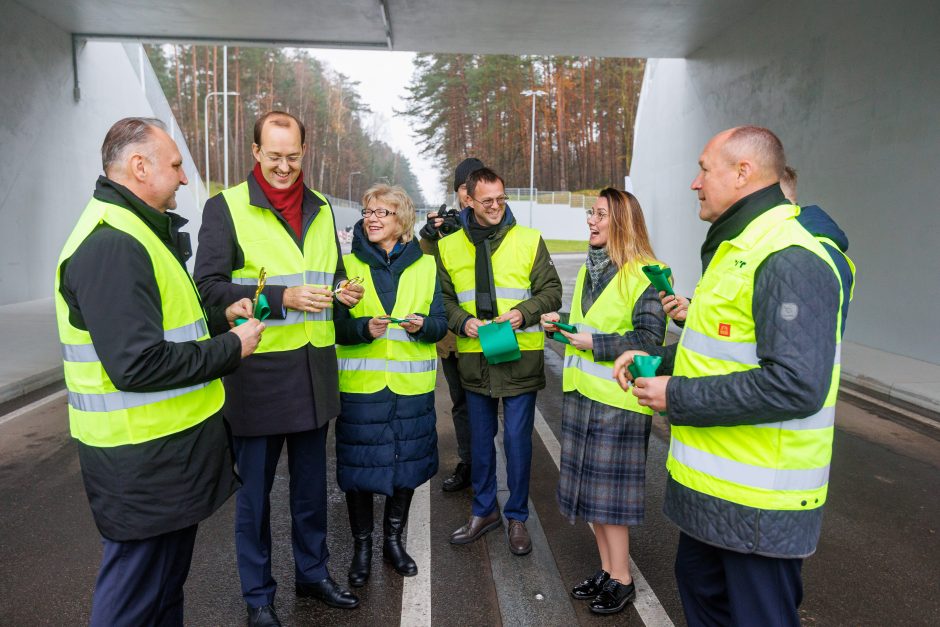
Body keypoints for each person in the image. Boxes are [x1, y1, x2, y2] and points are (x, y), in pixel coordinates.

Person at [614, 126, 845, 626]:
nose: (695, 183)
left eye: (704, 169)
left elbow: (797, 384)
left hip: (760, 506)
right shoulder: (737, 246)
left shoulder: (789, 255)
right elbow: (718, 348)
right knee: (703, 599)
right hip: (717, 499)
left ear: (742, 173)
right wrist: (658, 360)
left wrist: (676, 394)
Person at [54, 117, 264, 626]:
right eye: (176, 166)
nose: (185, 178)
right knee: (132, 601)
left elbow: (163, 325)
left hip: (165, 458)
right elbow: (137, 364)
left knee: (163, 592)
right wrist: (231, 348)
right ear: (139, 166)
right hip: (141, 465)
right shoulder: (112, 244)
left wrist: (219, 317)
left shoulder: (138, 232)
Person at [194, 111, 365, 626]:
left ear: (304, 151)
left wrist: (343, 293)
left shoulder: (320, 206)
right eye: (274, 157)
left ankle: (312, 576)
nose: (285, 166)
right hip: (257, 376)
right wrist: (278, 296)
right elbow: (208, 291)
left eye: (293, 156)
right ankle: (258, 597)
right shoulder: (224, 208)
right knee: (255, 501)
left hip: (313, 373)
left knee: (311, 494)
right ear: (255, 153)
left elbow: (329, 275)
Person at [541, 188, 668, 615]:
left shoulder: (649, 274)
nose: (590, 221)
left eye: (599, 215)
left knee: (610, 503)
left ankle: (623, 580)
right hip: (583, 398)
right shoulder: (594, 268)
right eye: (590, 214)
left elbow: (650, 341)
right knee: (593, 499)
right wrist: (559, 325)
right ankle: (608, 570)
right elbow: (588, 324)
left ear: (622, 222)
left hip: (619, 403)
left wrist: (594, 341)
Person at [437, 167, 562, 555]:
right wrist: (462, 321)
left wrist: (523, 313)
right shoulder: (448, 246)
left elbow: (552, 291)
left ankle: (517, 517)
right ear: (468, 200)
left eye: (501, 199)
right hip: (474, 360)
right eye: (487, 200)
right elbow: (442, 300)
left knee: (517, 441)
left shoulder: (529, 240)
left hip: (520, 356)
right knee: (480, 442)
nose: (495, 206)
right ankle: (484, 511)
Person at [334, 184, 446, 588]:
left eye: (382, 212)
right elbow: (335, 327)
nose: (372, 218)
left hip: (410, 390)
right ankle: (362, 547)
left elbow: (440, 324)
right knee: (359, 471)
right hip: (362, 390)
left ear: (402, 222)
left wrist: (422, 326)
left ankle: (392, 543)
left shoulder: (427, 266)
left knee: (406, 465)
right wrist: (362, 328)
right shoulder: (346, 265)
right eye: (368, 211)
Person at [662, 165, 855, 337]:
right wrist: (694, 312)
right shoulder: (750, 243)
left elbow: (794, 354)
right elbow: (741, 320)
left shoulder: (807, 255)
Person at [419, 157, 485, 492]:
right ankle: (469, 463)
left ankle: (487, 465)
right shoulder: (444, 228)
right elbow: (426, 275)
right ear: (459, 192)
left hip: (487, 334)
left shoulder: (492, 219)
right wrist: (430, 237)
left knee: (487, 406)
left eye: (475, 185)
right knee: (461, 405)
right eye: (464, 187)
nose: (470, 193)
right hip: (453, 339)